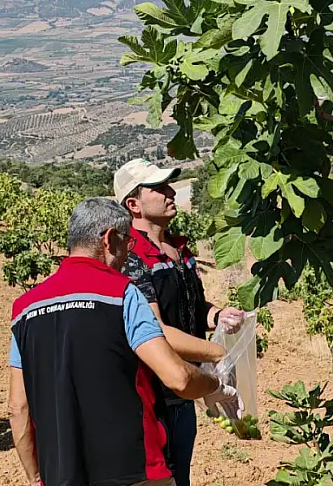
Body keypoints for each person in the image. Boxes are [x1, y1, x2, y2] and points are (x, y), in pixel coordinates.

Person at [7, 197, 241, 486]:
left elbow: (18, 408)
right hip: (135, 471)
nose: (128, 255)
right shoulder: (122, 294)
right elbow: (178, 377)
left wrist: (35, 477)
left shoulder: (24, 309)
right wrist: (216, 386)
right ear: (109, 239)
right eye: (128, 243)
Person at [115, 158, 247, 486]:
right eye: (159, 188)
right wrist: (216, 355)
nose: (171, 192)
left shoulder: (178, 249)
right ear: (134, 204)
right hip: (156, 395)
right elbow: (155, 330)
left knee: (180, 476)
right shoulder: (132, 258)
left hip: (184, 389)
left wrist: (216, 315)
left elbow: (190, 304)